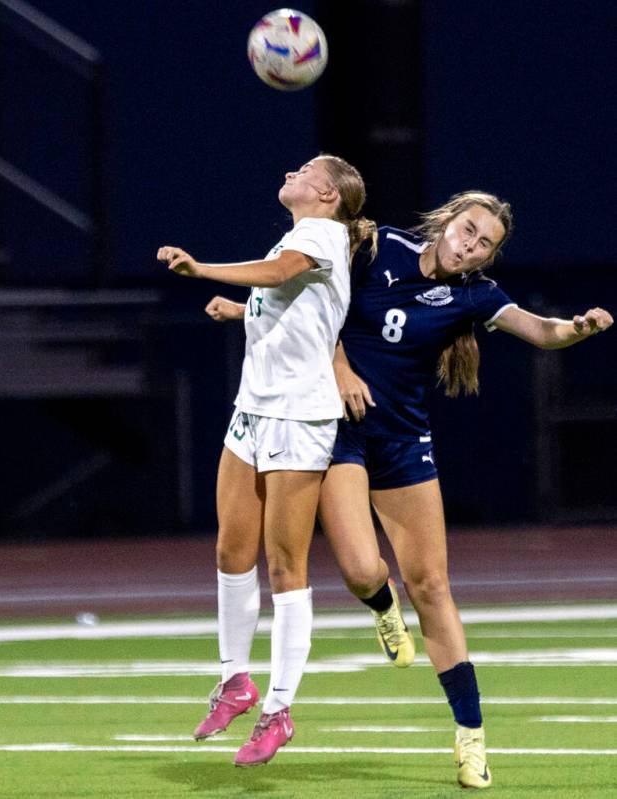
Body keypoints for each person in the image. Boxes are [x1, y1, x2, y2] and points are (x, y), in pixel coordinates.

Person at [207, 191, 613, 787]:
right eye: (467, 229)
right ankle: (379, 604)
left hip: (403, 443)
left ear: (486, 258)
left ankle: (471, 737)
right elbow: (319, 310)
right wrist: (334, 367)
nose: (469, 245)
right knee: (359, 568)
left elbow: (542, 331)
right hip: (341, 433)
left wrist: (576, 331)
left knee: (432, 584)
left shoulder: (475, 295)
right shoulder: (376, 246)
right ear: (447, 221)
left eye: (484, 244)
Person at [158, 154, 376, 767]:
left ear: (329, 193)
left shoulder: (322, 232)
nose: (290, 172)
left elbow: (281, 272)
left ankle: (278, 710)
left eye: (305, 169)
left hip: (299, 417)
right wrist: (240, 311)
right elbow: (292, 304)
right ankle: (235, 681)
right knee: (231, 550)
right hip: (252, 410)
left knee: (286, 566)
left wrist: (203, 271)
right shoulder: (301, 231)